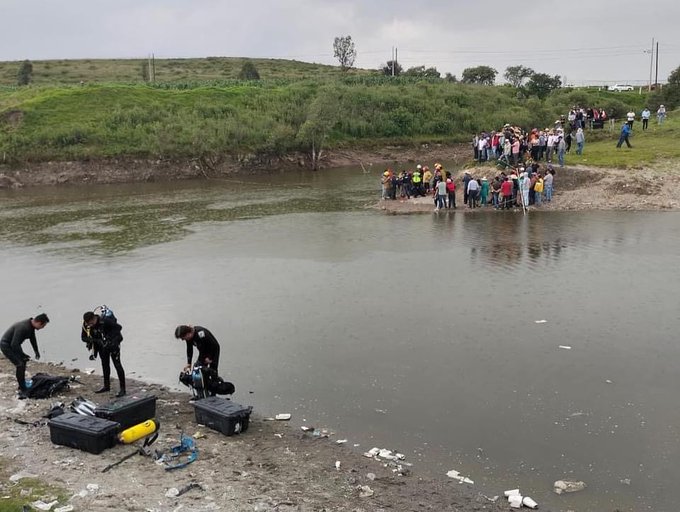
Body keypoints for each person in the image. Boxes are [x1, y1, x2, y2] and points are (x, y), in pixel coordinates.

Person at [1, 314, 49, 398]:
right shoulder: (24, 327)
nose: (43, 328)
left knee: (23, 361)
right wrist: (23, 355)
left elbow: (32, 339)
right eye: (43, 326)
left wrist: (36, 351)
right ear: (39, 323)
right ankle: (22, 388)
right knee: (19, 364)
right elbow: (14, 344)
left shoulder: (30, 326)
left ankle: (22, 384)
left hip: (12, 345)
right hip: (6, 346)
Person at [82, 308, 126, 396]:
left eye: (91, 323)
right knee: (105, 365)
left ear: (94, 318)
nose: (89, 325)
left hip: (113, 345)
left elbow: (119, 327)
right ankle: (106, 386)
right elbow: (83, 338)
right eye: (88, 324)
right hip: (102, 347)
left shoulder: (105, 321)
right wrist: (96, 340)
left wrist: (111, 340)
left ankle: (123, 389)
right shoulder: (86, 325)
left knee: (117, 365)